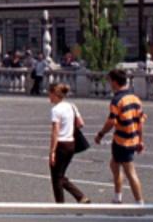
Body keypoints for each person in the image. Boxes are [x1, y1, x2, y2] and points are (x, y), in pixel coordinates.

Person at [95, 68, 146, 204]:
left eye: (110, 81)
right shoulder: (135, 98)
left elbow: (111, 121)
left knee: (130, 172)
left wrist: (100, 134)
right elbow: (140, 121)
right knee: (114, 164)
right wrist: (140, 140)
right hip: (132, 138)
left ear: (115, 82)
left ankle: (139, 203)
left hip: (123, 140)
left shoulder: (117, 100)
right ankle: (117, 197)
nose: (109, 84)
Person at [47, 84, 90, 204]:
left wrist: (52, 152)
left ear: (55, 94)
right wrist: (69, 126)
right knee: (60, 175)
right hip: (71, 143)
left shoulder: (56, 110)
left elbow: (55, 132)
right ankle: (80, 197)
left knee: (56, 178)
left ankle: (60, 204)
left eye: (49, 94)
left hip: (61, 144)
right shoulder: (71, 106)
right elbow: (81, 123)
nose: (48, 96)